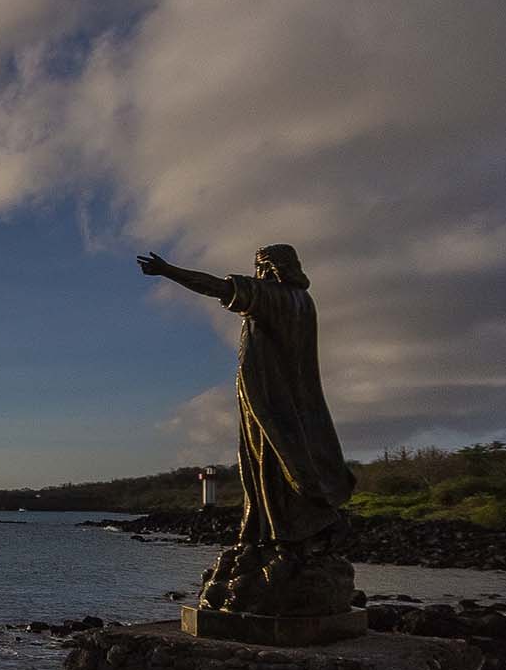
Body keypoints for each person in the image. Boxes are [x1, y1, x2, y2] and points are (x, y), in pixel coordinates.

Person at [139, 244, 356, 615]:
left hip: (270, 400)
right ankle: (272, 535)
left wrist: (168, 270)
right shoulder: (305, 302)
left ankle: (282, 537)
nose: (254, 273)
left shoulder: (273, 296)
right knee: (275, 464)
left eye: (258, 267)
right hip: (290, 399)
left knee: (270, 466)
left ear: (270, 269)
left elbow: (215, 287)